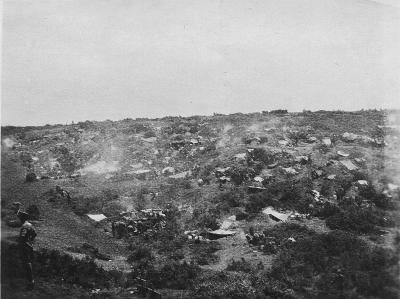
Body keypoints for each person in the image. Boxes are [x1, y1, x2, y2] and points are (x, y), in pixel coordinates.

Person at [17, 211, 37, 290]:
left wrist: (22, 243)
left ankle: (30, 282)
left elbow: (22, 239)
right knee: (29, 263)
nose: (19, 219)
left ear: (22, 218)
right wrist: (30, 241)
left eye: (20, 218)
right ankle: (30, 281)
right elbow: (35, 234)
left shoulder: (24, 226)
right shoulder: (30, 225)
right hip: (29, 246)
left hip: (24, 247)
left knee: (27, 264)